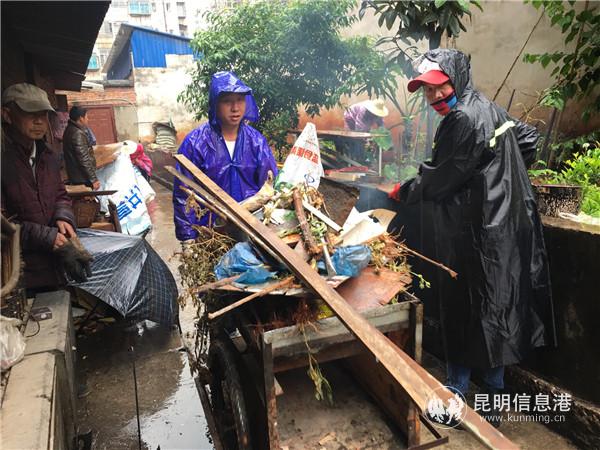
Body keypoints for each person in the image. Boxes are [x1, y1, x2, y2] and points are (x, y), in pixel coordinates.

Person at [388, 49, 555, 423]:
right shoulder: (486, 106)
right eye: (427, 90)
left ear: (457, 79)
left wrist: (405, 190)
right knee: (497, 309)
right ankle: (494, 399)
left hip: (474, 231)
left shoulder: (462, 117)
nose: (434, 97)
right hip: (507, 224)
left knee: (462, 309)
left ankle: (456, 393)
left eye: (440, 87)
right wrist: (499, 174)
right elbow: (528, 140)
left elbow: (442, 176)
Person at [1, 83, 92, 291]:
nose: (39, 121)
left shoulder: (49, 156)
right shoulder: (3, 160)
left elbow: (60, 194)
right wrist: (48, 237)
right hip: (17, 274)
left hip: (52, 267)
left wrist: (63, 217)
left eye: (43, 114)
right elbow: (2, 224)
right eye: (29, 113)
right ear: (6, 114)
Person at [173, 71, 278, 241]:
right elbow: (183, 194)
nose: (235, 108)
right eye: (227, 101)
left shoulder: (256, 142)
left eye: (240, 100)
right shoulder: (195, 143)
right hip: (210, 235)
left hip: (250, 231)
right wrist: (188, 239)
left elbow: (269, 185)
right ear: (215, 103)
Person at [63, 105, 100, 190]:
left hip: (77, 176)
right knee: (87, 198)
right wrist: (93, 179)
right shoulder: (77, 133)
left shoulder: (69, 129)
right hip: (82, 178)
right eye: (86, 117)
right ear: (81, 118)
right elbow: (83, 158)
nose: (88, 119)